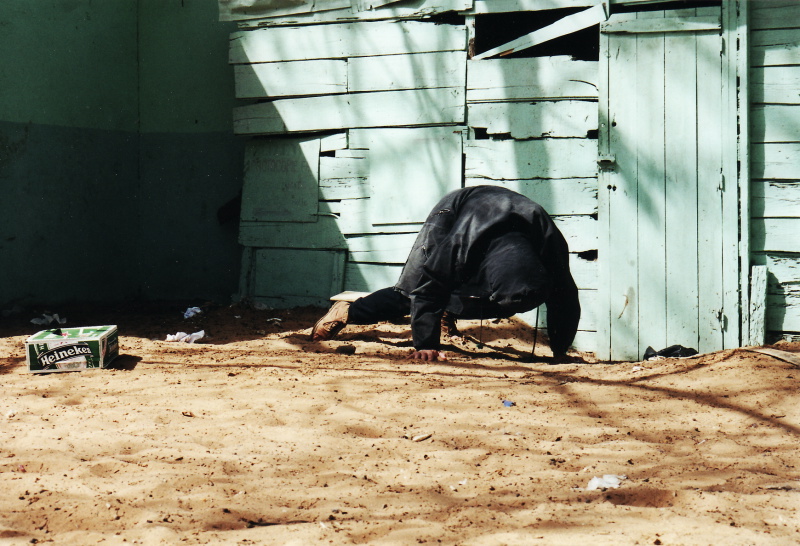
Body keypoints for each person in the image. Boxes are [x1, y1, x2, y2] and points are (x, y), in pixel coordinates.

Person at [312, 186, 581, 361]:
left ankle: (443, 316)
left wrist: (560, 351)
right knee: (411, 290)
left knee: (450, 290)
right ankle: (348, 312)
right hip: (457, 210)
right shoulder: (461, 242)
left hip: (506, 217)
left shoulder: (549, 246)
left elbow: (566, 298)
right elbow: (427, 290)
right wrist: (426, 345)